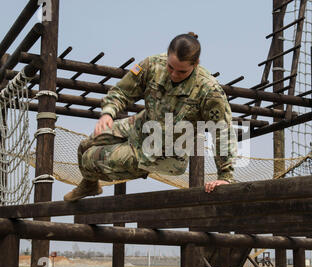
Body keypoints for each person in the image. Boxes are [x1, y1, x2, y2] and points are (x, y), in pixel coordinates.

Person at [64, 32, 237, 202]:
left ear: (196, 64)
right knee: (85, 146)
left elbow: (222, 131)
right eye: (171, 67)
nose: (174, 75)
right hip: (142, 125)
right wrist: (108, 113)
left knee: (90, 160)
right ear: (167, 56)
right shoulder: (152, 65)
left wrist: (226, 176)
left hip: (164, 151)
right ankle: (89, 185)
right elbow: (122, 91)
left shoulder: (209, 90)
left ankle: (109, 172)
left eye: (182, 71)